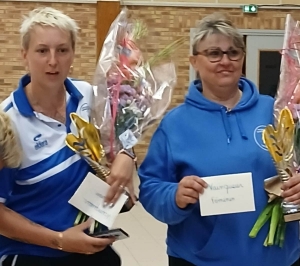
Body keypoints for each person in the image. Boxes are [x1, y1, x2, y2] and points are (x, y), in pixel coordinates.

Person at [138, 13, 300, 266]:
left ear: (242, 58)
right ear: (195, 61)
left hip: (279, 256)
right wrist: (175, 196)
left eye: (233, 52)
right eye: (214, 53)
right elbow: (150, 188)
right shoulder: (176, 124)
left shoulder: (277, 111)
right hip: (201, 258)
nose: (225, 61)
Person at [0, 7, 136, 266]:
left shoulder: (88, 95)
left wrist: (126, 156)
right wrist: (60, 239)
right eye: (42, 51)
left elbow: (119, 141)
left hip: (90, 244)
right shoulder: (7, 123)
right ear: (24, 55)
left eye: (62, 50)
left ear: (72, 54)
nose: (53, 61)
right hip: (32, 253)